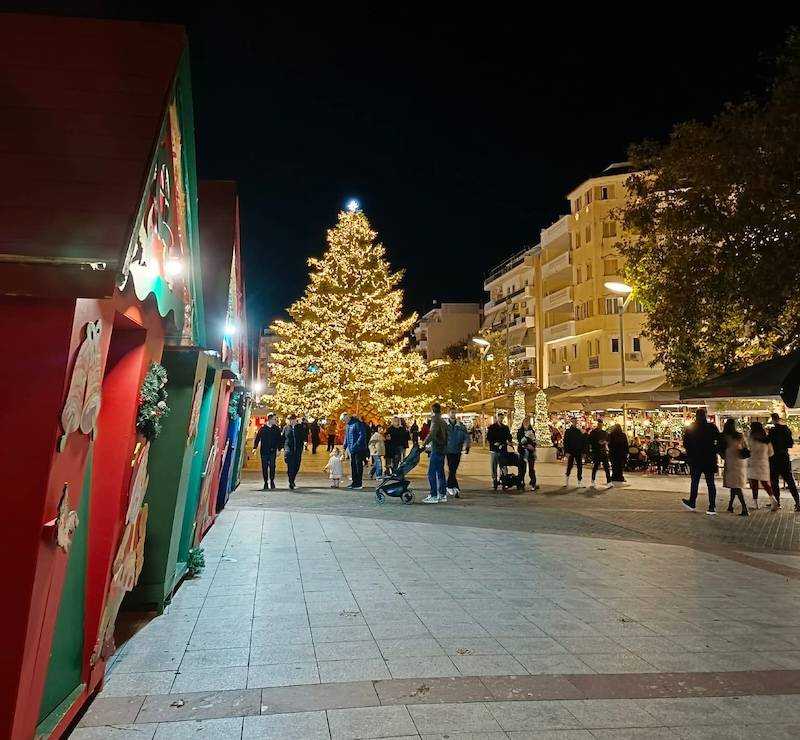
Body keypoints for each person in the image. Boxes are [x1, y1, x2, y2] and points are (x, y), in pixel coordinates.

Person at [681, 408, 721, 515]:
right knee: (710, 483)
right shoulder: (711, 427)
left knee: (695, 482)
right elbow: (719, 439)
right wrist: (714, 449)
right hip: (709, 459)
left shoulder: (691, 428)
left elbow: (685, 443)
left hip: (695, 459)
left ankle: (692, 501)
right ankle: (712, 506)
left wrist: (691, 452)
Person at [768, 412, 800, 512]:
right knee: (790, 480)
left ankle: (777, 503)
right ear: (779, 419)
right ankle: (798, 502)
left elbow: (768, 443)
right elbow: (790, 444)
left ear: (772, 419)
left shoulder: (771, 431)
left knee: (774, 481)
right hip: (784, 457)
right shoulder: (786, 429)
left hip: (774, 458)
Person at [720, 419, 749, 516]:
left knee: (735, 486)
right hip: (739, 461)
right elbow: (745, 447)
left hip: (730, 460)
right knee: (734, 484)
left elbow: (720, 450)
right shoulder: (739, 435)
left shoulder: (724, 436)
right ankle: (730, 505)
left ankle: (744, 507)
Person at [748, 421, 777, 511]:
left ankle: (755, 503)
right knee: (765, 483)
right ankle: (773, 499)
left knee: (754, 484)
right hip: (764, 463)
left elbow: (748, 449)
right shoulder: (766, 440)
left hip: (753, 462)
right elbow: (771, 453)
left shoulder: (751, 438)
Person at [423, 403, 449, 503]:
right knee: (440, 472)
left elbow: (432, 433)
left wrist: (424, 443)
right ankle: (442, 495)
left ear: (432, 411)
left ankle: (433, 495)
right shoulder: (443, 421)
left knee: (431, 473)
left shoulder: (435, 420)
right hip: (442, 449)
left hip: (436, 449)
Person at [445, 407, 470, 497]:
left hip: (457, 450)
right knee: (452, 470)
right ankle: (455, 488)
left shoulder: (461, 426)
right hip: (448, 451)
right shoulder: (445, 426)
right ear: (448, 413)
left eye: (454, 413)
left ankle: (450, 485)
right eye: (452, 412)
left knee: (453, 470)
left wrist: (467, 446)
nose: (453, 414)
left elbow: (466, 436)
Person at [253, 413, 283, 490]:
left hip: (272, 450)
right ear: (270, 419)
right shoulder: (263, 428)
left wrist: (279, 449)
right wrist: (255, 447)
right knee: (264, 466)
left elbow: (279, 439)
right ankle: (266, 481)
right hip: (264, 451)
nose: (275, 420)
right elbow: (258, 438)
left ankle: (272, 480)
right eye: (274, 419)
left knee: (272, 466)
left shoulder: (276, 429)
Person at [486, 411, 513, 491]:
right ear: (497, 418)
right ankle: (494, 480)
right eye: (500, 417)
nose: (501, 419)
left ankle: (504, 479)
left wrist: (509, 441)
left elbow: (509, 436)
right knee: (494, 466)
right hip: (494, 450)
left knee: (503, 466)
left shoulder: (505, 428)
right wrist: (495, 443)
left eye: (502, 417)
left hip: (503, 449)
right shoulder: (492, 427)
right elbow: (489, 438)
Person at [342, 412, 368, 490]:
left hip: (359, 448)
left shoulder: (357, 424)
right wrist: (344, 446)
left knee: (358, 465)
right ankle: (354, 482)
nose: (344, 422)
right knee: (353, 465)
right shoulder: (348, 425)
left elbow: (362, 435)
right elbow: (346, 437)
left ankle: (358, 483)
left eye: (344, 420)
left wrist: (356, 445)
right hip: (352, 449)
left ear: (347, 418)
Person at [588, 419, 613, 489]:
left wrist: (605, 442)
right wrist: (597, 443)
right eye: (599, 424)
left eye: (601, 425)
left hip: (603, 451)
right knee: (595, 467)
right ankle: (593, 480)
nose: (600, 426)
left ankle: (609, 482)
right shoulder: (593, 433)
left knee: (606, 467)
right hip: (596, 451)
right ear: (597, 424)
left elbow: (608, 440)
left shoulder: (605, 433)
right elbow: (590, 442)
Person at [563, 417, 586, 488]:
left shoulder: (579, 431)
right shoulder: (568, 431)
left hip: (578, 451)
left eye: (575, 421)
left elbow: (582, 442)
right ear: (571, 422)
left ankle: (579, 481)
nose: (574, 423)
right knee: (570, 466)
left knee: (579, 466)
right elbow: (565, 442)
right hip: (571, 451)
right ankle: (566, 480)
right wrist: (566, 452)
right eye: (573, 421)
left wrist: (583, 452)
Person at [516, 417, 538, 491]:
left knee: (531, 469)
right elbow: (520, 441)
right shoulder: (520, 431)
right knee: (522, 469)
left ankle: (533, 483)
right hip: (523, 452)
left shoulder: (532, 431)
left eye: (528, 422)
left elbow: (534, 441)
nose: (526, 424)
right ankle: (521, 483)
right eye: (525, 422)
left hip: (531, 453)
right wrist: (527, 444)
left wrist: (533, 446)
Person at [282, 414, 304, 490]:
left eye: (292, 420)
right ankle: (291, 482)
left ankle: (292, 479)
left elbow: (303, 436)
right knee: (290, 466)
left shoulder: (300, 427)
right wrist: (282, 448)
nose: (290, 421)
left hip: (298, 449)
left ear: (295, 420)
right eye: (289, 420)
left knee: (296, 466)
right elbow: (283, 438)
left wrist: (305, 442)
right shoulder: (286, 428)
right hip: (289, 450)